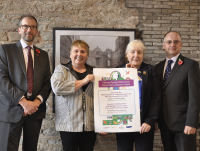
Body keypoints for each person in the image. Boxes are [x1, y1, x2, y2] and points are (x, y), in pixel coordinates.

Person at [0, 14, 51, 151]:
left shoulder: (43, 55)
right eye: (25, 26)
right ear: (19, 29)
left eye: (32, 27)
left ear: (36, 31)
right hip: (11, 110)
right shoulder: (5, 50)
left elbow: (47, 82)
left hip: (35, 112)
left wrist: (36, 102)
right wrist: (23, 102)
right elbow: (2, 80)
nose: (29, 30)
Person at [155, 31, 200, 151]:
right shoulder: (157, 68)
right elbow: (156, 96)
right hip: (164, 123)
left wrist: (192, 122)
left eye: (176, 42)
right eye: (169, 42)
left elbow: (195, 97)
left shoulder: (190, 65)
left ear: (181, 44)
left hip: (184, 124)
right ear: (163, 45)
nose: (172, 44)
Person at [116, 40, 162, 151]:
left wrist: (150, 120)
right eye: (133, 52)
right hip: (123, 122)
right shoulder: (117, 71)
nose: (136, 55)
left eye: (139, 52)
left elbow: (157, 97)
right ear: (127, 54)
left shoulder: (151, 70)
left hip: (144, 123)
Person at [51, 40, 96, 151]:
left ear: (87, 55)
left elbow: (105, 95)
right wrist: (83, 82)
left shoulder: (94, 71)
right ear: (70, 54)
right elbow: (57, 88)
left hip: (90, 125)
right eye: (76, 51)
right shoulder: (61, 69)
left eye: (83, 51)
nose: (79, 54)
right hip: (68, 125)